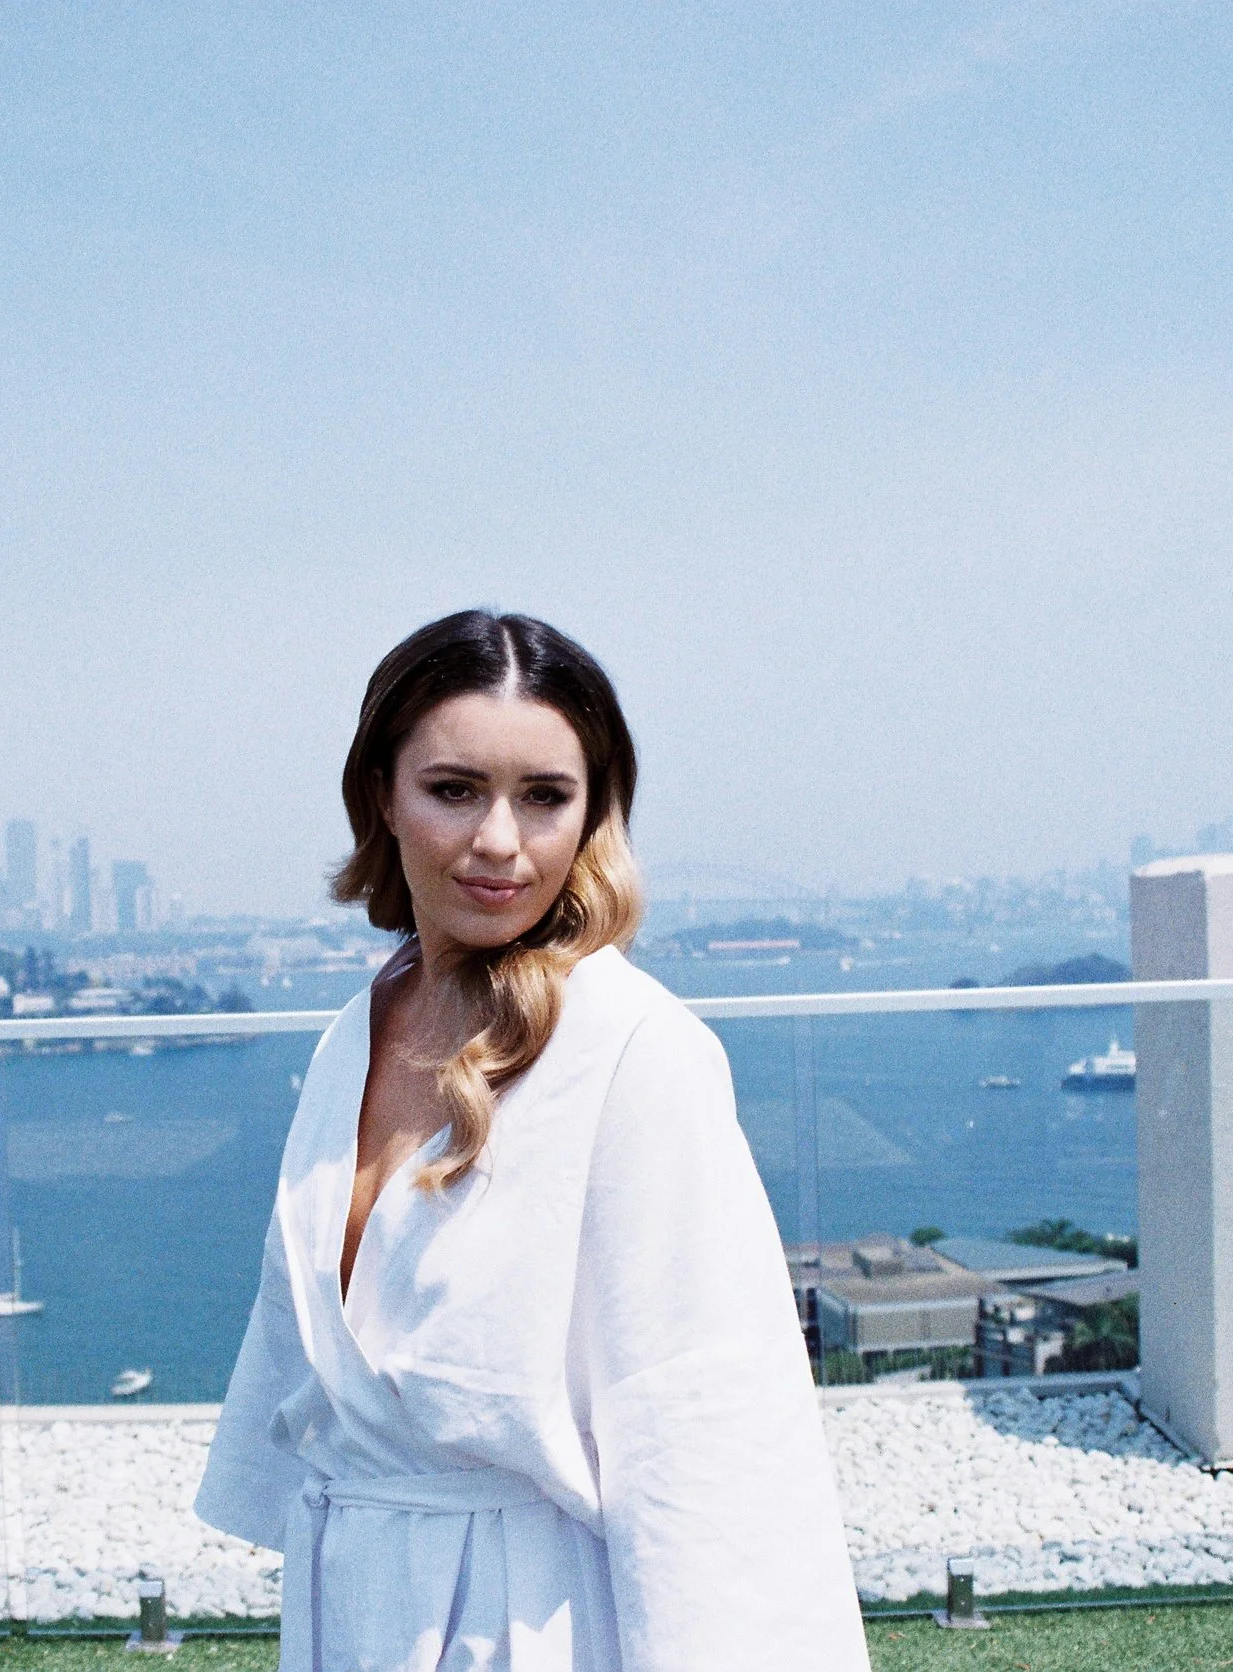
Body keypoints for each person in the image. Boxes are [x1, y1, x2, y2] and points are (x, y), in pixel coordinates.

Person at [195, 610, 866, 1671]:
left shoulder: (636, 1050)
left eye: (545, 797)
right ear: (381, 792)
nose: (500, 842)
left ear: (594, 812)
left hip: (535, 1621)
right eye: (454, 789)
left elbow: (708, 1425)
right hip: (353, 1594)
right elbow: (307, 1347)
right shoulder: (355, 1028)